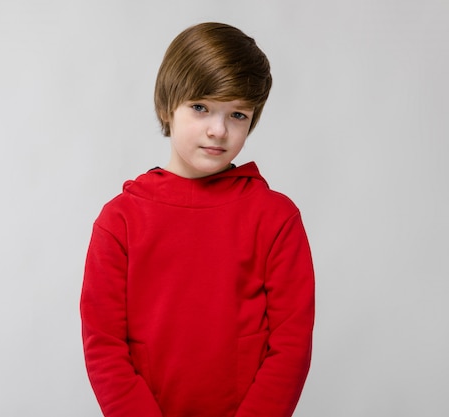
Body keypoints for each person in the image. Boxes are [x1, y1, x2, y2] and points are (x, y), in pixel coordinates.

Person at [80, 22, 315, 417]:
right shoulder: (119, 221)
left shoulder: (276, 218)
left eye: (237, 114)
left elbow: (291, 346)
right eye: (201, 107)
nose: (218, 130)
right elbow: (103, 346)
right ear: (165, 107)